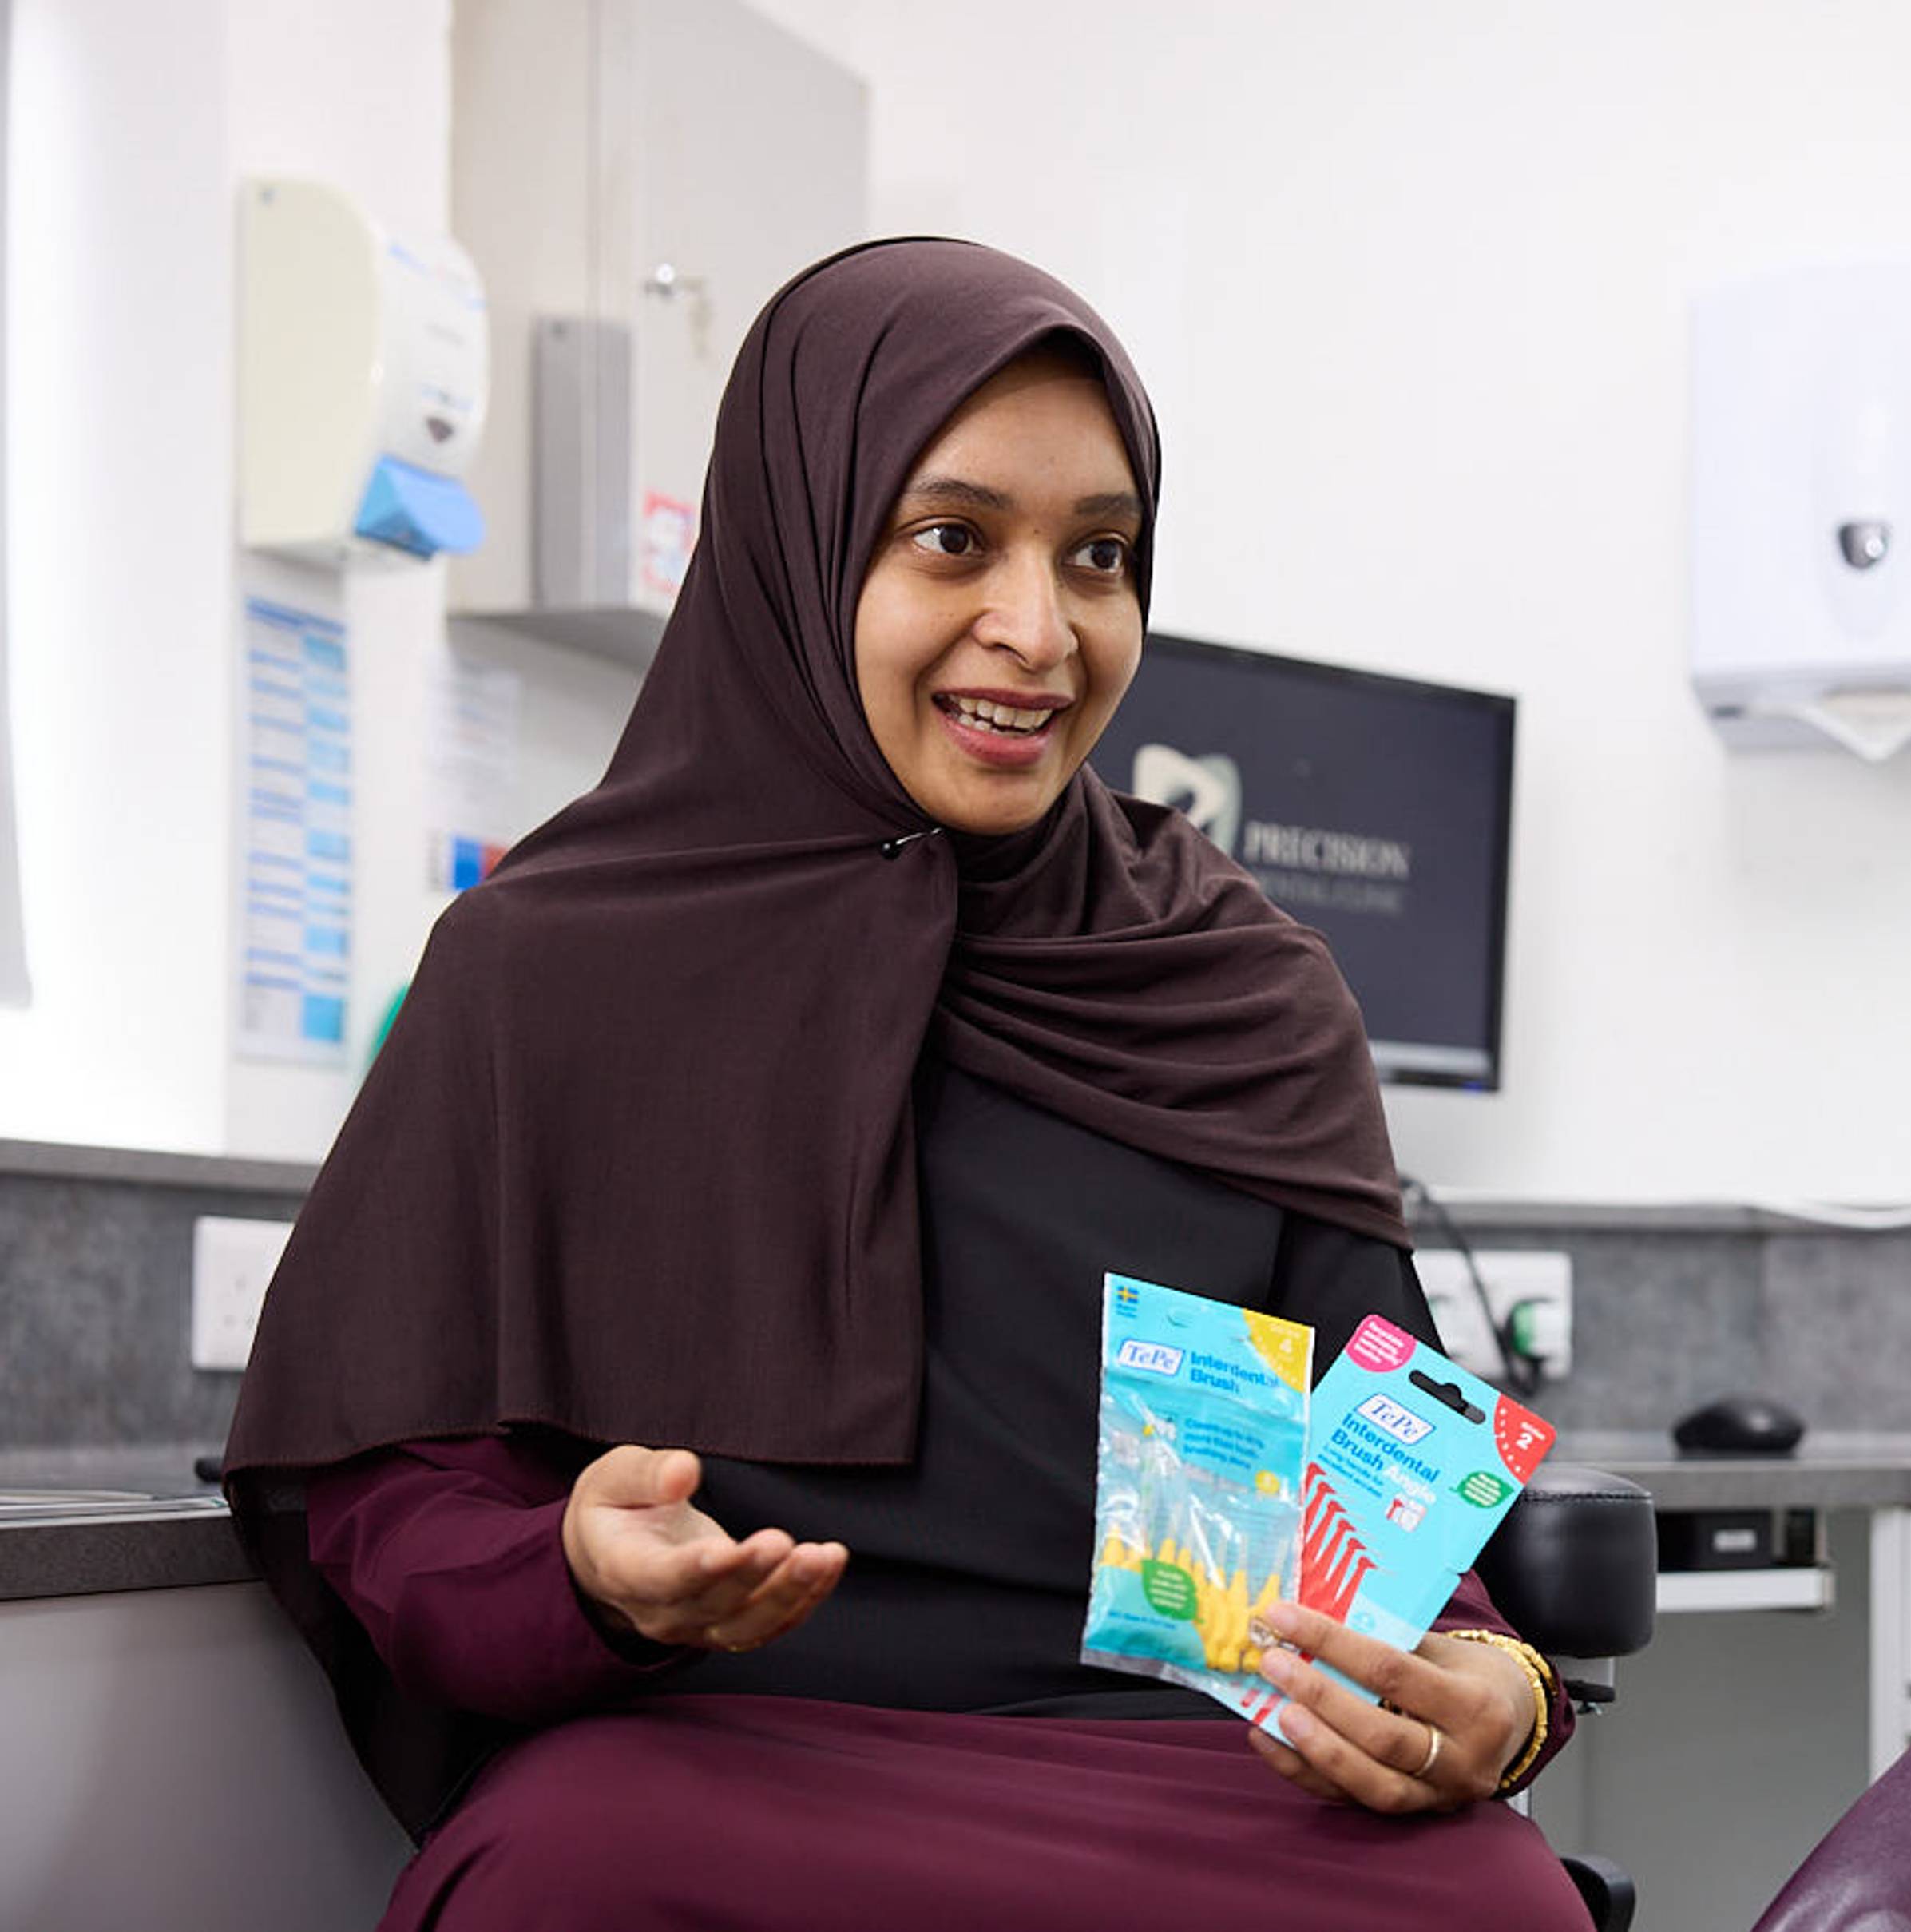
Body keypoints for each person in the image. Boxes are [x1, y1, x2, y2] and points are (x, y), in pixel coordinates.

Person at [223, 238, 1589, 1930]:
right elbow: (390, 1501)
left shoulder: (1244, 991)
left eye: (1099, 556)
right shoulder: (549, 968)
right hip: (717, 1766)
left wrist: (1492, 1691)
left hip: (1187, 1771)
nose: (1039, 629)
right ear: (799, 548)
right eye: (954, 539)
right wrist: (573, 1570)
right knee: (556, 1878)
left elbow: (1373, 1509)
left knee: (1496, 1907)